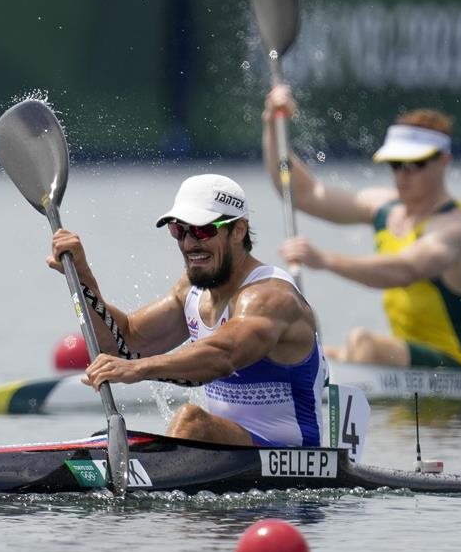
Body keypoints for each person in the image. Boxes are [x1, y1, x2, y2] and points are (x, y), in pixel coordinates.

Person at [46, 173, 327, 447]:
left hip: (291, 456)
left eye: (204, 230)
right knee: (108, 437)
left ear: (238, 230)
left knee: (191, 420)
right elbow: (125, 343)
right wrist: (83, 277)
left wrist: (138, 369)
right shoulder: (191, 292)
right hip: (228, 448)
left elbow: (222, 357)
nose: (190, 243)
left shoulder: (271, 296)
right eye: (180, 230)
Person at [261, 85, 461, 370]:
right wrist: (272, 125)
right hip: (403, 359)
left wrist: (325, 260)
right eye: (396, 164)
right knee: (291, 347)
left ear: (444, 161)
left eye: (415, 164)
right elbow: (302, 193)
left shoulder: (456, 228)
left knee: (363, 342)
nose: (403, 174)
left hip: (457, 366)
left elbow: (404, 270)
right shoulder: (384, 206)